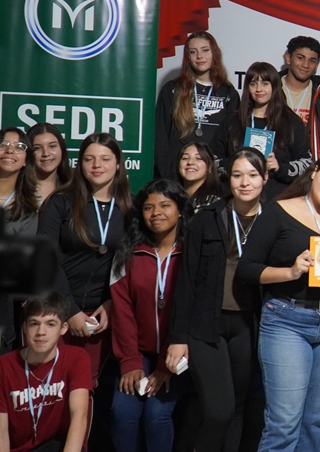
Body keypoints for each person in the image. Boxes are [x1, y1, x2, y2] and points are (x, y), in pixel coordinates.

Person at [237, 152, 320, 452]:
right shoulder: (279, 211)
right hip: (286, 321)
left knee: (316, 421)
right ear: (314, 171)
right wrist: (291, 271)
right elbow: (247, 269)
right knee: (284, 423)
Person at [167, 148, 267, 452]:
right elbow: (185, 282)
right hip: (205, 326)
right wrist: (178, 337)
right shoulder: (207, 219)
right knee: (218, 410)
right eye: (237, 175)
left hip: (248, 325)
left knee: (237, 407)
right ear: (228, 179)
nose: (244, 182)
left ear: (265, 178)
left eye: (252, 175)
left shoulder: (274, 221)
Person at [39, 133, 132, 383]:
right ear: (79, 164)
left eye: (105, 159)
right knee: (48, 387)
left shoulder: (129, 208)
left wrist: (113, 303)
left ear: (118, 164)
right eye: (89, 159)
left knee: (84, 386)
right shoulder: (60, 202)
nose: (97, 165)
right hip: (55, 311)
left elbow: (129, 265)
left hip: (98, 316)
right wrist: (70, 310)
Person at [110, 179, 193, 452]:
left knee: (157, 415)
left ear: (180, 210)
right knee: (123, 412)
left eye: (165, 205)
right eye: (148, 207)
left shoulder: (193, 252)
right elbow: (122, 311)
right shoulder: (128, 253)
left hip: (178, 356)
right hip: (138, 355)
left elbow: (194, 310)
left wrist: (165, 366)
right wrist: (130, 361)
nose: (155, 212)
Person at [0, 292, 92, 452]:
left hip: (60, 445)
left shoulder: (77, 358)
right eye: (34, 323)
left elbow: (79, 415)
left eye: (50, 324)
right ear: (24, 327)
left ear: (63, 328)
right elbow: (0, 435)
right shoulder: (0, 368)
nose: (41, 332)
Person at [222, 61, 312, 200]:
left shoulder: (291, 122)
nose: (258, 89)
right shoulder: (233, 120)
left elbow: (306, 163)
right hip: (237, 197)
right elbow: (214, 159)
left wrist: (280, 168)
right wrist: (234, 165)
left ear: (274, 86)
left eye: (265, 83)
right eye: (253, 84)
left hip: (277, 199)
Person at [155, 31, 239, 180]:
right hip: (176, 176)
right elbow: (160, 137)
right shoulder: (172, 89)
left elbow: (231, 143)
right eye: (193, 52)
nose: (199, 56)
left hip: (213, 179)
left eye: (205, 50)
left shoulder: (229, 93)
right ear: (188, 58)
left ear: (214, 53)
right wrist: (169, 177)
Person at [0, 127, 39, 236]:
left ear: (25, 160)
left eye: (19, 147)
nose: (10, 151)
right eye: (2, 144)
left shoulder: (27, 212)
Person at [281, 35, 320, 127]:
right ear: (288, 58)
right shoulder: (269, 88)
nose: (305, 65)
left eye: (312, 61)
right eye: (300, 58)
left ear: (316, 65)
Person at [28, 122, 72, 204]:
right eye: (37, 148)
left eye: (52, 146)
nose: (46, 154)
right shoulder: (18, 191)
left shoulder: (74, 189)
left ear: (61, 148)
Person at [176, 142, 221, 210]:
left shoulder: (212, 203)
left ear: (209, 167)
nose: (190, 162)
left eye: (198, 158)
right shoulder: (172, 198)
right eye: (185, 158)